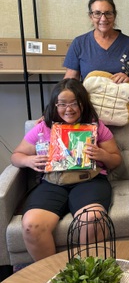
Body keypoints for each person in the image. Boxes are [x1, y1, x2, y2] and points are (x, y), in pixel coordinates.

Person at [11, 79, 122, 261]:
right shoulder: (44, 127)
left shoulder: (95, 126)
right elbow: (16, 156)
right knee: (32, 225)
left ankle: (89, 277)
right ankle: (56, 278)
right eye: (62, 104)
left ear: (83, 104)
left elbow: (116, 160)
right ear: (55, 105)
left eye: (74, 103)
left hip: (90, 181)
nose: (68, 109)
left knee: (92, 221)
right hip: (53, 182)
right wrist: (28, 160)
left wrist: (101, 154)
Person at [64, 0, 129, 120]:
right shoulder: (80, 43)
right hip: (90, 114)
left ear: (114, 15)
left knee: (123, 141)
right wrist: (51, 111)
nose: (103, 18)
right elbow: (68, 82)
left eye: (108, 13)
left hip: (123, 115)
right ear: (90, 16)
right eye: (97, 13)